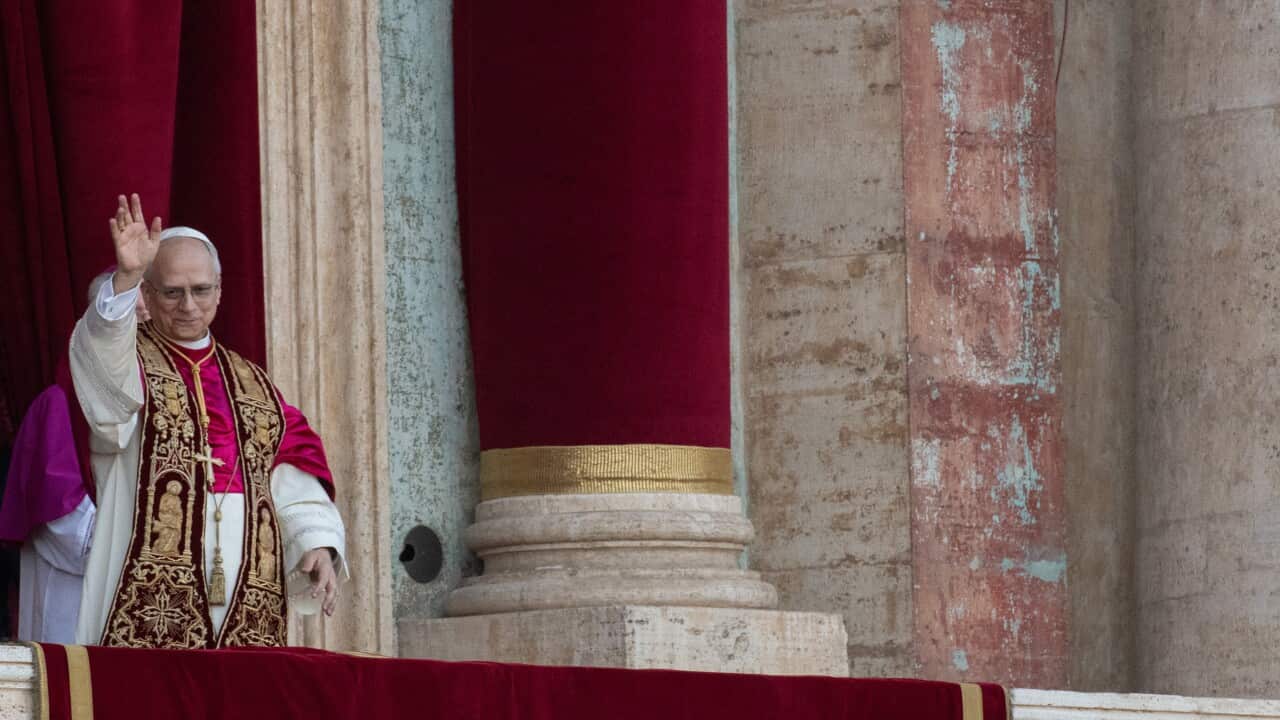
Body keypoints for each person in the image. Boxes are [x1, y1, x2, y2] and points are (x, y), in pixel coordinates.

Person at [69, 194, 347, 648]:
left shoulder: (253, 383)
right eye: (171, 291)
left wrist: (316, 541)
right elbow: (102, 365)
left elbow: (290, 469)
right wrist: (125, 278)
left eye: (200, 290)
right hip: (143, 579)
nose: (188, 306)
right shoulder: (128, 359)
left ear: (220, 291)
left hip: (243, 576)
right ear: (149, 295)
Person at [0, 272, 147, 642]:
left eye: (147, 320)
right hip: (76, 589)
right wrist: (138, 544)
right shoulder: (59, 402)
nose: (142, 331)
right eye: (132, 319)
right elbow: (62, 517)